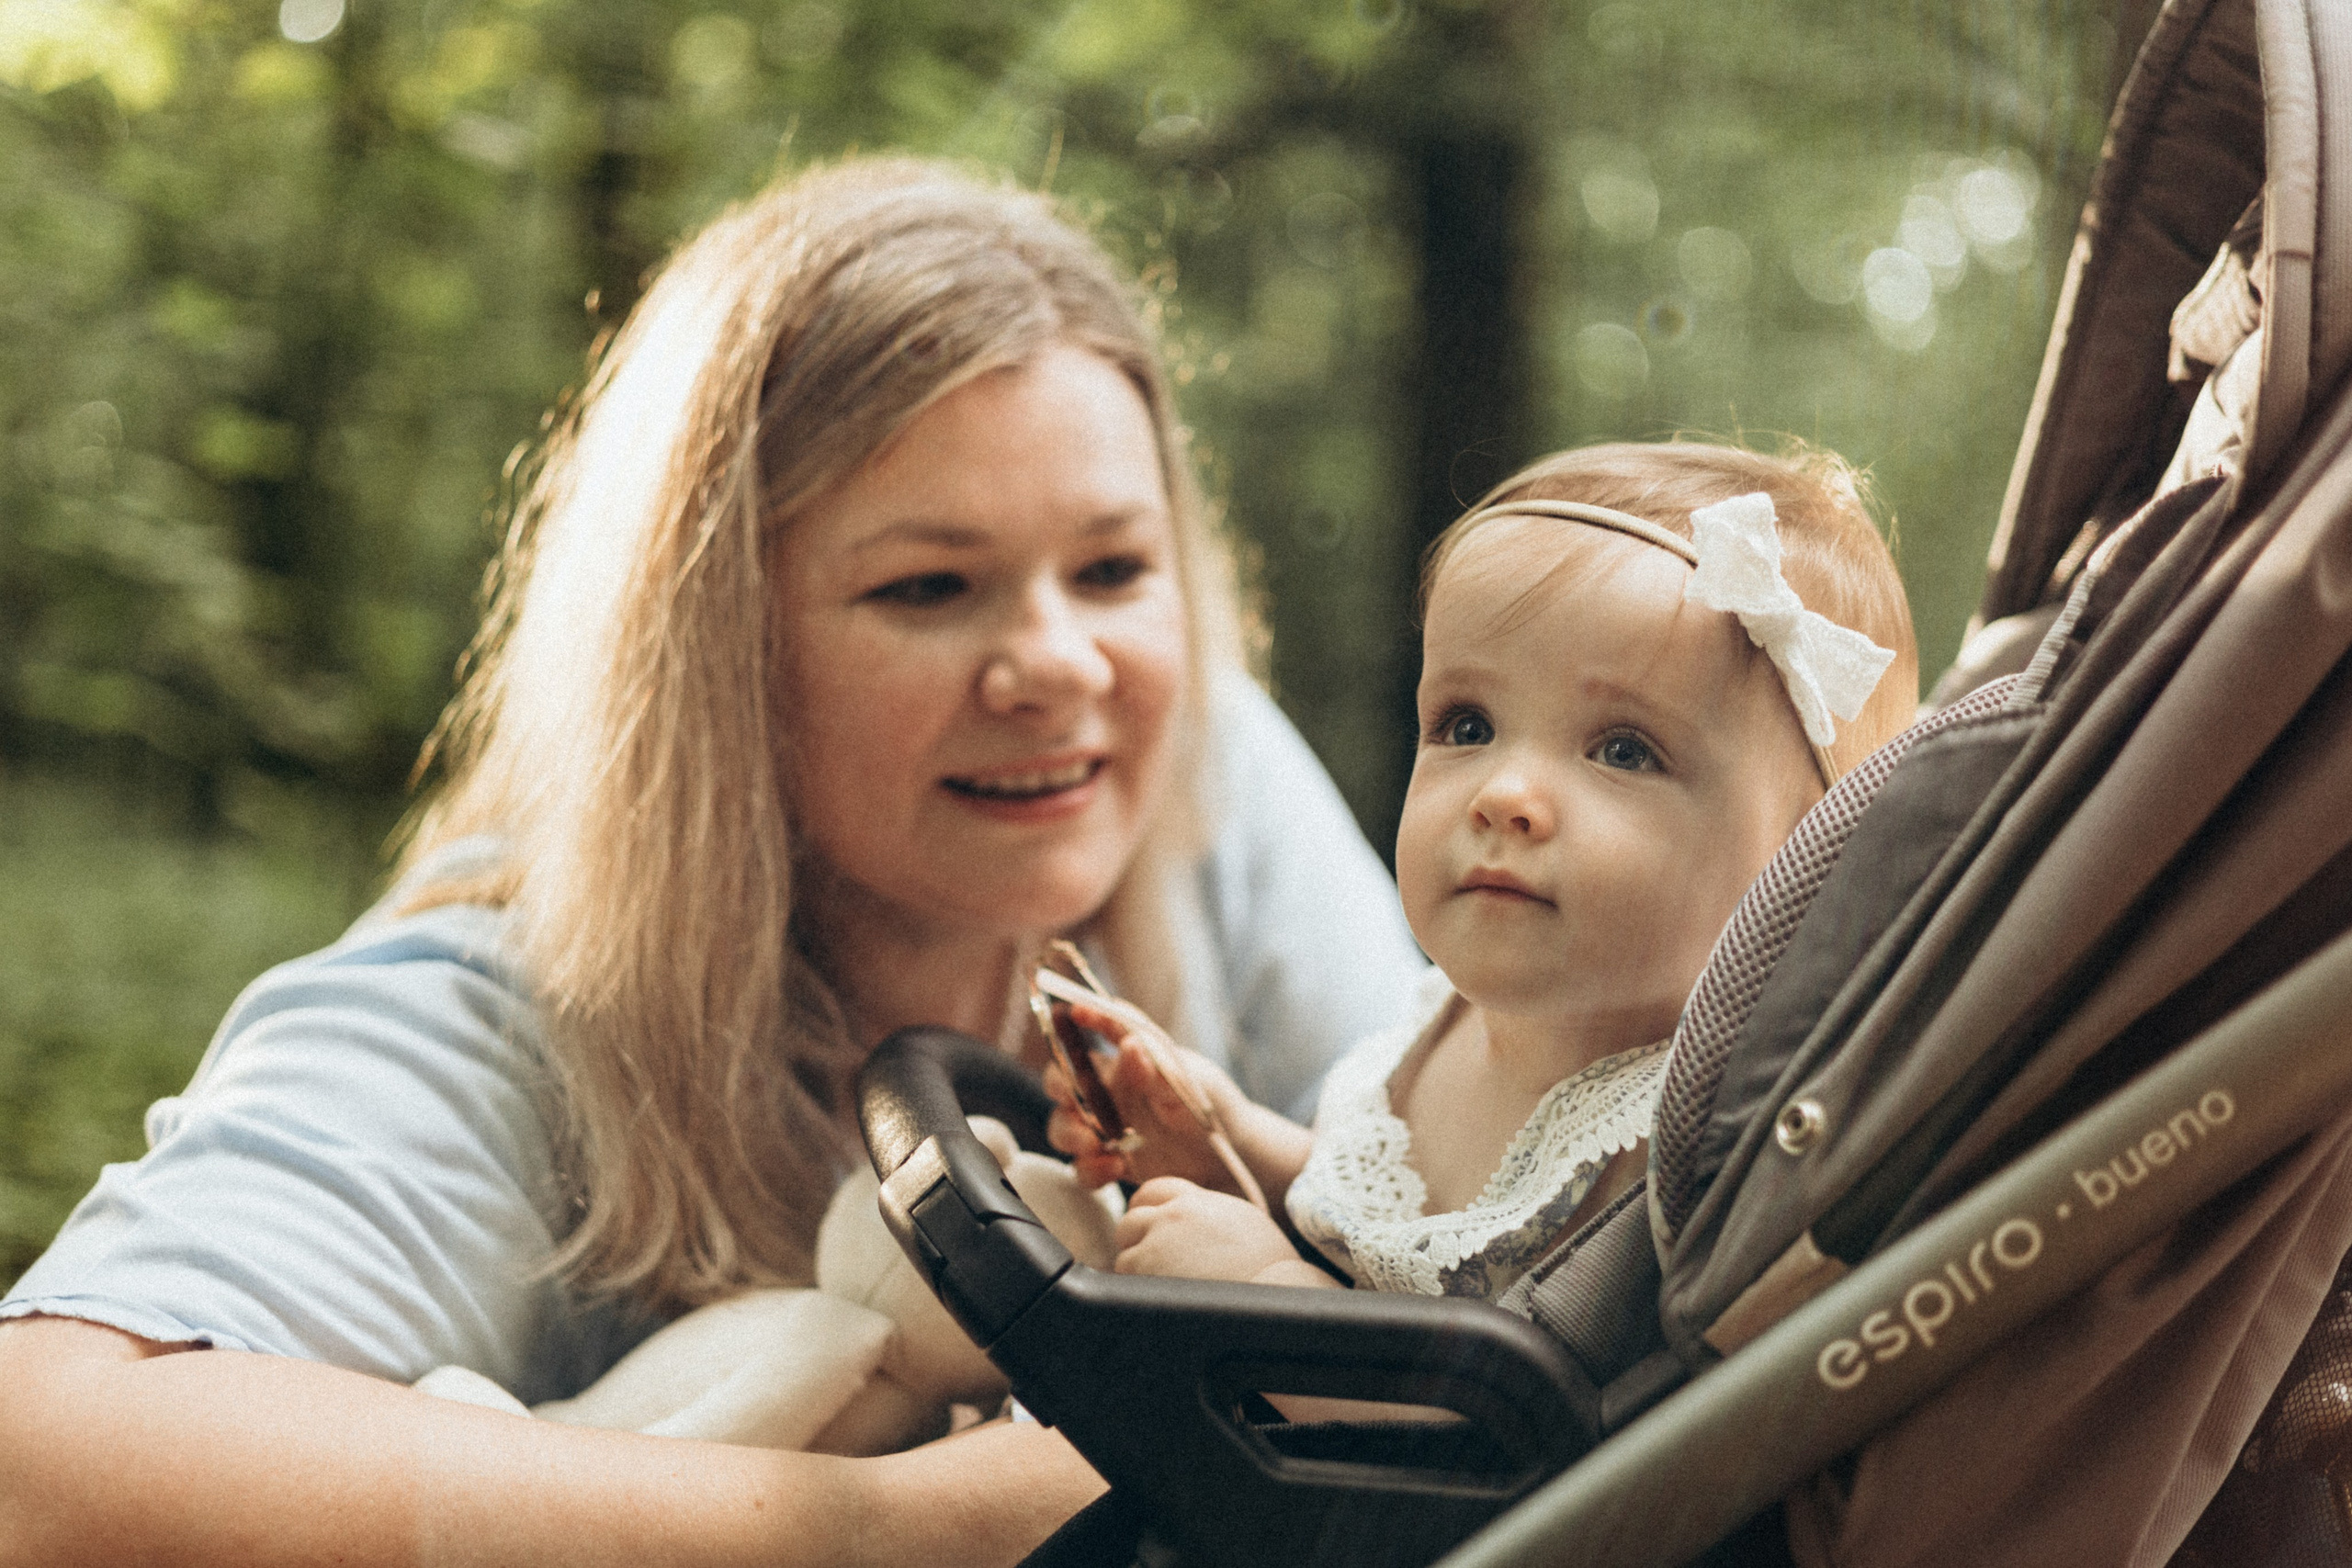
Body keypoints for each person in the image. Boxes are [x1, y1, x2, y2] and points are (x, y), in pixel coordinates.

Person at [0, 157, 1425, 1564]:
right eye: (929, 585)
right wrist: (879, 1529)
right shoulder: (500, 1004)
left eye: (1113, 569)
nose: (1062, 661)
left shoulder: (1204, 762)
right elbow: (43, 1456)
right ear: (711, 650)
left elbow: (1489, 1205)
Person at [1048, 442, 1918, 1305]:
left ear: (1811, 856)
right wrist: (1228, 1138)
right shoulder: (1449, 1018)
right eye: (1467, 726)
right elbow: (1382, 1233)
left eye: (1623, 750)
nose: (1506, 795)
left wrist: (1265, 1286)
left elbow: (1499, 1418)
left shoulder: (1681, 1142)